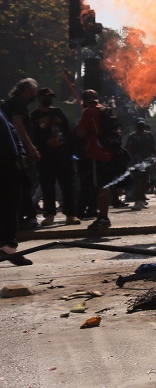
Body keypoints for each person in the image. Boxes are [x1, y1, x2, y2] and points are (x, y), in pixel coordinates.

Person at [29, 88, 79, 225]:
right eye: (46, 96)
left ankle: (71, 214)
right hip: (45, 157)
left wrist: (72, 152)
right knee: (47, 187)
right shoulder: (33, 116)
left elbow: (67, 131)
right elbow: (32, 136)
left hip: (63, 155)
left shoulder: (58, 112)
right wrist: (46, 142)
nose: (48, 98)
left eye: (50, 96)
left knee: (68, 186)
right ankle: (49, 214)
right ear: (39, 98)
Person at [75, 89, 120, 230]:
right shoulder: (105, 110)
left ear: (84, 101)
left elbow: (81, 133)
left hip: (96, 152)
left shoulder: (88, 112)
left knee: (100, 186)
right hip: (108, 151)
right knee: (104, 185)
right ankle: (102, 216)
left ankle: (103, 217)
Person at [1, 78, 40, 230]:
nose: (34, 94)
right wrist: (30, 148)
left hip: (11, 151)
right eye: (34, 91)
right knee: (23, 183)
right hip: (18, 152)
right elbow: (18, 126)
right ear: (27, 90)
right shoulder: (18, 103)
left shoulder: (10, 103)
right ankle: (24, 217)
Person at [0, 107, 32, 265]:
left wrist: (21, 154)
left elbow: (12, 131)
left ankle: (9, 247)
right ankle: (7, 246)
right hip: (5, 161)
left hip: (9, 161)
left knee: (11, 205)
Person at [124, 119, 156, 211]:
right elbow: (128, 149)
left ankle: (141, 199)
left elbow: (153, 148)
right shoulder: (132, 136)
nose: (141, 128)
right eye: (139, 126)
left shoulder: (148, 135)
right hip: (136, 163)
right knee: (137, 182)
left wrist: (155, 160)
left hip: (146, 162)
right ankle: (137, 201)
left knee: (144, 182)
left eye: (142, 126)